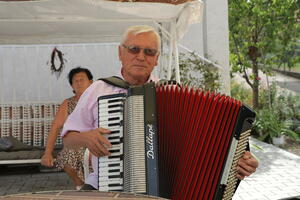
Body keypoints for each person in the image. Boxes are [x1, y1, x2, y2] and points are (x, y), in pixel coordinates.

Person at [61, 25, 259, 190]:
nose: (141, 56)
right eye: (133, 49)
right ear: (120, 53)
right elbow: (68, 138)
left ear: (156, 59)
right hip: (106, 188)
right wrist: (87, 138)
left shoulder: (173, 92)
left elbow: (209, 142)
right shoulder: (98, 89)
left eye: (149, 52)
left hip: (168, 190)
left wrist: (240, 160)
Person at [41, 67, 93, 190]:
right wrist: (47, 153)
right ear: (72, 86)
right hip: (75, 144)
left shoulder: (99, 100)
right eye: (75, 81)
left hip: (94, 142)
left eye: (82, 79)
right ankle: (80, 186)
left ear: (91, 82)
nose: (79, 83)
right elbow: (55, 128)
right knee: (65, 155)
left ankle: (96, 186)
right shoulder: (67, 104)